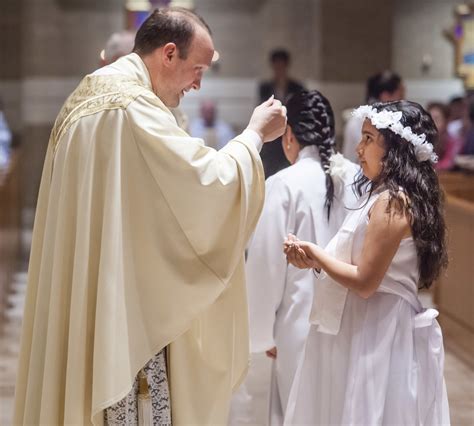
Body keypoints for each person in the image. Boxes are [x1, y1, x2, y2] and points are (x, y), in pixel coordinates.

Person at [13, 7, 287, 426]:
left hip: (90, 292)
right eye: (197, 70)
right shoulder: (133, 107)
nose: (198, 84)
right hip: (123, 305)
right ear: (169, 53)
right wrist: (252, 135)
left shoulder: (87, 94)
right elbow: (206, 184)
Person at [284, 100, 450, 425]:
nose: (359, 148)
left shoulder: (393, 202)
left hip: (380, 329)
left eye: (369, 139)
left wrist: (316, 253)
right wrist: (314, 262)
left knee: (371, 411)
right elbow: (357, 262)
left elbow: (365, 281)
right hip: (364, 322)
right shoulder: (381, 195)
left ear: (396, 148)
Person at [236, 90, 358, 424]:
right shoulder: (353, 181)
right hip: (350, 323)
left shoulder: (285, 184)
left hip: (298, 322)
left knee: (296, 411)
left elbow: (266, 265)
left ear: (289, 135)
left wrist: (264, 332)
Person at [259, 49, 305, 178]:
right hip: (271, 140)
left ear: (286, 65)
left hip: (291, 135)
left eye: (281, 65)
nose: (279, 68)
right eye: (276, 65)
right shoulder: (265, 88)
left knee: (291, 174)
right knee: (270, 174)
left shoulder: (297, 87)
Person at [343, 71, 405, 163]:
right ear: (386, 96)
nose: (403, 101)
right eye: (400, 95)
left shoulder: (394, 120)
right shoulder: (360, 122)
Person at [427, 102, 464, 171]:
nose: (431, 123)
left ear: (446, 121)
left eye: (436, 119)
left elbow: (448, 163)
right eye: (429, 119)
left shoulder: (455, 142)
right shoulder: (422, 139)